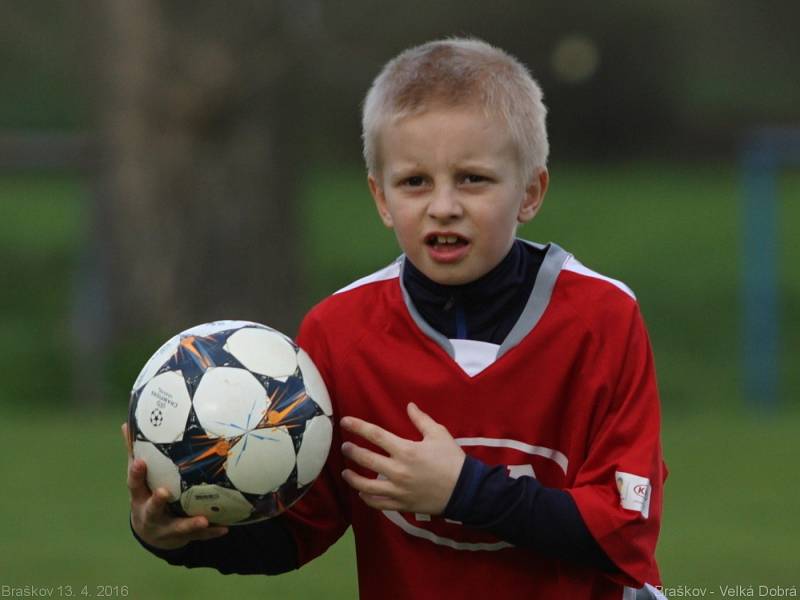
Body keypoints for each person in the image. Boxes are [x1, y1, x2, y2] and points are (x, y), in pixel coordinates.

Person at [125, 38, 667, 599]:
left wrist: (464, 491)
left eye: (473, 178)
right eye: (415, 182)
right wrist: (177, 537)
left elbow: (624, 532)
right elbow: (300, 530)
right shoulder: (339, 335)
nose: (443, 205)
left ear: (530, 191)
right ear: (381, 198)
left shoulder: (602, 319)